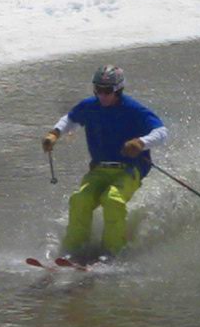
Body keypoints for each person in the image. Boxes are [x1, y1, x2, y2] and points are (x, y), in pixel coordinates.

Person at [42, 65, 168, 262]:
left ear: (118, 90)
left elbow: (161, 132)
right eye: (98, 90)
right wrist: (54, 133)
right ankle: (72, 250)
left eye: (107, 91)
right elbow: (70, 119)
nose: (102, 95)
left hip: (130, 169)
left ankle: (112, 253)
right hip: (99, 169)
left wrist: (141, 143)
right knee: (79, 200)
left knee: (112, 199)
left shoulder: (133, 109)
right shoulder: (89, 106)